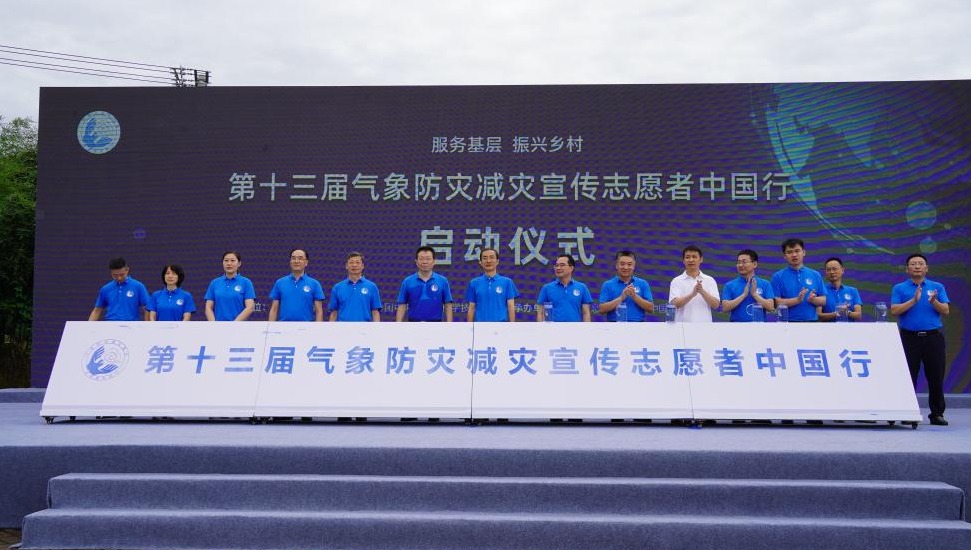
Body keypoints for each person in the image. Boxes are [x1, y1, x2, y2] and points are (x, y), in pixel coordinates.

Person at [891, 253, 951, 426]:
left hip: (933, 337)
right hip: (909, 338)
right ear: (907, 269)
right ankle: (907, 412)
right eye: (913, 264)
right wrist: (913, 300)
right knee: (908, 376)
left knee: (936, 376)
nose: (917, 266)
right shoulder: (899, 288)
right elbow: (894, 310)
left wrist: (934, 301)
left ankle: (937, 414)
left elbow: (946, 310)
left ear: (926, 268)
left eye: (920, 263)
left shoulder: (937, 287)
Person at [771, 238, 826, 321]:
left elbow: (824, 300)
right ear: (785, 256)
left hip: (811, 322)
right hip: (787, 323)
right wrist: (797, 300)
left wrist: (813, 300)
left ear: (803, 252)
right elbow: (776, 303)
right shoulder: (778, 276)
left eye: (797, 251)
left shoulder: (815, 274)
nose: (794, 255)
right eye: (789, 252)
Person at [396, 246, 453, 322]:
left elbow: (448, 305)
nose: (425, 262)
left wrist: (449, 326)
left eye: (428, 259)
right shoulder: (407, 282)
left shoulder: (443, 281)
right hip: (413, 324)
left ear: (434, 261)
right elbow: (402, 305)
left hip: (436, 325)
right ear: (416, 261)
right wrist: (398, 325)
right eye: (421, 259)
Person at [268, 248, 325, 322]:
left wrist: (318, 328)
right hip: (284, 326)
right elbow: (274, 309)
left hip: (307, 327)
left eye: (300, 258)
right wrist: (270, 327)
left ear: (306, 262)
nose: (296, 261)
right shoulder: (280, 283)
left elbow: (319, 312)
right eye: (293, 258)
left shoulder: (315, 284)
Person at [597, 250, 654, 322]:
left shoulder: (643, 283)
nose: (626, 267)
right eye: (622, 264)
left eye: (629, 264)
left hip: (638, 326)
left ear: (634, 266)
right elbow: (601, 309)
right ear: (616, 265)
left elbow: (651, 308)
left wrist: (634, 296)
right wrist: (621, 298)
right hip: (614, 326)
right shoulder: (608, 284)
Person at [668, 245, 720, 322]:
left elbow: (716, 305)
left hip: (704, 326)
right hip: (682, 327)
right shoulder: (676, 281)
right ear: (683, 260)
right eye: (687, 257)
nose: (691, 260)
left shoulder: (710, 280)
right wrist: (692, 294)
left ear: (701, 259)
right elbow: (674, 304)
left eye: (694, 257)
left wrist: (702, 291)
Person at [88, 257, 150, 321]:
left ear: (127, 270)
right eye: (115, 275)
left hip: (131, 324)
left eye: (122, 274)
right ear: (111, 273)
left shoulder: (138, 286)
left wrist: (148, 325)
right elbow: (97, 311)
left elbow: (147, 308)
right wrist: (88, 326)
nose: (119, 278)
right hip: (110, 324)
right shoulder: (105, 289)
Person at [721, 249, 775, 322]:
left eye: (744, 262)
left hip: (759, 326)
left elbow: (771, 307)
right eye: (738, 262)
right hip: (736, 326)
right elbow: (725, 308)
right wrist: (743, 295)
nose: (740, 265)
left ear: (754, 264)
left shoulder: (765, 284)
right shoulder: (729, 285)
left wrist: (755, 295)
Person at [465, 247, 518, 322]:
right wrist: (469, 327)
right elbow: (471, 307)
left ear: (497, 261)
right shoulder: (474, 283)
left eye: (492, 257)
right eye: (485, 258)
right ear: (480, 262)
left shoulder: (507, 282)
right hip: (480, 326)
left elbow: (511, 306)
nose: (488, 261)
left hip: (501, 326)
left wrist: (512, 326)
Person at [536, 255, 593, 322]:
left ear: (571, 268)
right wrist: (541, 328)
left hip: (575, 328)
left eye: (562, 265)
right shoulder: (547, 288)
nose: (558, 268)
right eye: (556, 265)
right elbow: (540, 313)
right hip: (553, 328)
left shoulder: (582, 287)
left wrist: (586, 328)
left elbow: (586, 313)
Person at [329, 252, 382, 322]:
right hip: (342, 327)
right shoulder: (337, 287)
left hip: (365, 328)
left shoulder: (372, 286)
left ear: (362, 266)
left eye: (357, 262)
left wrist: (376, 328)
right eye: (351, 262)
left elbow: (375, 312)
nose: (354, 265)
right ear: (346, 266)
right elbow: (334, 313)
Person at [204, 251, 256, 321]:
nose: (229, 263)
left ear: (239, 263)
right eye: (226, 260)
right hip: (218, 326)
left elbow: (250, 307)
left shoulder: (246, 282)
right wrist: (214, 324)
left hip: (238, 326)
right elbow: (208, 307)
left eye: (232, 260)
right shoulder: (214, 283)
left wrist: (233, 324)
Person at [817, 257, 863, 322]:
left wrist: (847, 312)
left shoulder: (853, 291)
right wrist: (836, 313)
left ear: (842, 270)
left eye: (834, 269)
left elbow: (858, 315)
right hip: (828, 328)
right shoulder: (820, 291)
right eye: (828, 270)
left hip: (849, 328)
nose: (832, 272)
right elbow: (818, 316)